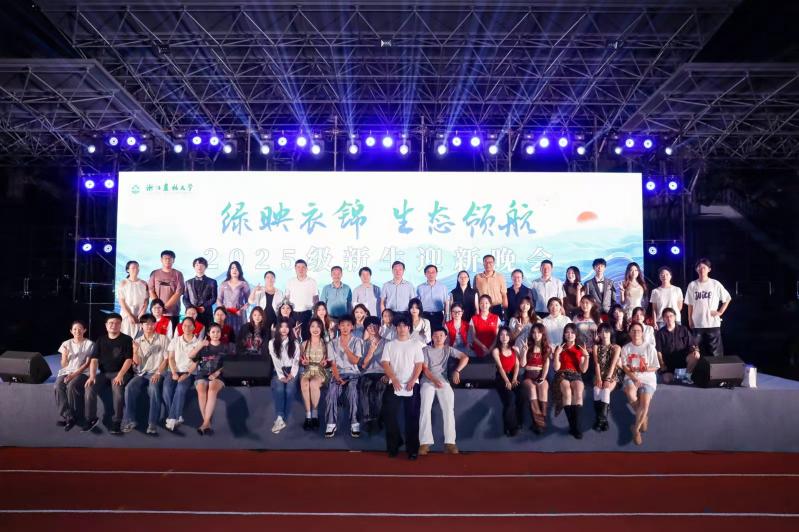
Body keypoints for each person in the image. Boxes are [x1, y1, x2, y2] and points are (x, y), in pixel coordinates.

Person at [419, 327, 469, 455]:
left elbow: (465, 357)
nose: (438, 338)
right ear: (432, 337)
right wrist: (434, 380)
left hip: (443, 381)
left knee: (448, 409)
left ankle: (450, 443)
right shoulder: (426, 349)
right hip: (428, 380)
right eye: (435, 335)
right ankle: (424, 443)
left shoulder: (448, 349)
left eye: (441, 335)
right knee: (425, 408)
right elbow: (424, 368)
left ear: (445, 337)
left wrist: (457, 371)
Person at [381, 315, 425, 459]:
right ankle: (394, 444)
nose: (402, 329)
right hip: (394, 383)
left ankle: (412, 449)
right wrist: (393, 378)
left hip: (412, 384)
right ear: (396, 328)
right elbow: (385, 363)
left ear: (409, 328)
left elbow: (419, 364)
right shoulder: (389, 345)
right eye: (399, 326)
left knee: (412, 416)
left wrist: (413, 379)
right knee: (388, 413)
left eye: (404, 326)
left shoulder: (416, 344)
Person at [83, 313, 134, 434]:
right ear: (106, 325)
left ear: (120, 325)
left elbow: (129, 359)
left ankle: (117, 422)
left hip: (122, 373)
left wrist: (120, 375)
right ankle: (91, 419)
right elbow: (94, 359)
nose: (113, 325)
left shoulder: (127, 339)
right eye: (111, 323)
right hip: (104, 373)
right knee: (89, 387)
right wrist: (92, 376)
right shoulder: (101, 340)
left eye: (117, 323)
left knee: (118, 392)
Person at [121, 314, 169, 435]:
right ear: (141, 326)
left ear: (155, 324)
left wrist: (158, 372)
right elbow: (136, 363)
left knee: (153, 388)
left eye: (152, 323)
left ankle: (152, 423)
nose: (149, 326)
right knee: (129, 388)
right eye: (146, 324)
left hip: (157, 372)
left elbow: (167, 359)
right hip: (141, 373)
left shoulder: (163, 339)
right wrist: (135, 351)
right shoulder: (136, 341)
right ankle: (130, 420)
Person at [620, 322, 660, 445]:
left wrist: (646, 368)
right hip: (631, 376)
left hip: (647, 378)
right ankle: (643, 417)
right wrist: (634, 378)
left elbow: (656, 366)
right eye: (633, 330)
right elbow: (625, 367)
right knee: (631, 394)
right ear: (629, 333)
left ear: (642, 333)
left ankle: (636, 429)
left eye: (638, 330)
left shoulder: (649, 347)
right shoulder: (626, 348)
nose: (636, 333)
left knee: (645, 403)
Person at [324, 316, 363, 438]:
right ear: (339, 327)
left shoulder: (357, 341)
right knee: (331, 392)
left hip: (353, 373)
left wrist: (346, 348)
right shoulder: (332, 343)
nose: (345, 328)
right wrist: (337, 377)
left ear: (352, 327)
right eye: (342, 325)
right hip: (338, 373)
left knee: (353, 391)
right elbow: (333, 364)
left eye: (348, 325)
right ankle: (331, 423)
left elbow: (355, 361)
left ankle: (354, 422)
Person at [685, 258, 731, 357]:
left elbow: (727, 298)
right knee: (694, 352)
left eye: (704, 267)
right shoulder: (692, 285)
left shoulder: (715, 284)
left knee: (715, 354)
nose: (701, 269)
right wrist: (690, 319)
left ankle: (717, 368)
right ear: (696, 269)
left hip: (712, 323)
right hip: (697, 323)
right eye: (699, 267)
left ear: (709, 269)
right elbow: (690, 304)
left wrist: (720, 312)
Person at [163, 316, 203, 431]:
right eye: (184, 325)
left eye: (190, 326)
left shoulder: (198, 343)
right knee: (166, 388)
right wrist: (174, 372)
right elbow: (171, 358)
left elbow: (196, 362)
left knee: (180, 388)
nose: (186, 328)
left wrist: (187, 374)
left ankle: (172, 417)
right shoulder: (175, 340)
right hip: (174, 370)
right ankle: (177, 415)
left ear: (194, 327)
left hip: (189, 372)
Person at [55, 320, 94, 432]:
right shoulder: (66, 343)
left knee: (72, 385)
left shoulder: (90, 344)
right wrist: (65, 356)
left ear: (84, 330)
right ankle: (68, 416)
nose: (77, 331)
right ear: (71, 331)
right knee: (58, 385)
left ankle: (76, 416)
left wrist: (73, 375)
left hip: (82, 372)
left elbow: (87, 364)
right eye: (75, 329)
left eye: (80, 329)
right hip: (67, 371)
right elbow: (64, 365)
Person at [552, 324, 590, 439]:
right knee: (567, 391)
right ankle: (574, 427)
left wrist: (586, 357)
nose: (570, 335)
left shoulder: (580, 349)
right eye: (567, 332)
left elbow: (583, 370)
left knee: (578, 391)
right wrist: (557, 354)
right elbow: (556, 368)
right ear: (564, 334)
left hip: (576, 374)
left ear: (576, 334)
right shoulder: (560, 348)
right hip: (562, 374)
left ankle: (575, 427)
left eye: (572, 332)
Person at [193, 323, 229, 435]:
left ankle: (205, 423)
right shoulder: (204, 346)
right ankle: (206, 423)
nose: (216, 334)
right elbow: (191, 356)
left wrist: (217, 373)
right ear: (208, 333)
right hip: (202, 374)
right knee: (201, 389)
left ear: (221, 333)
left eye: (218, 332)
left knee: (212, 389)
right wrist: (200, 345)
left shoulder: (225, 347)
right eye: (213, 332)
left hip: (218, 375)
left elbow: (229, 364)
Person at [269, 318, 301, 433]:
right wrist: (281, 375)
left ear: (290, 329)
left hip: (292, 369)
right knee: (279, 388)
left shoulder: (295, 343)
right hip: (278, 370)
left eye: (286, 327)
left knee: (290, 389)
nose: (284, 329)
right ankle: (279, 418)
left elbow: (296, 360)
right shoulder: (272, 342)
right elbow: (275, 360)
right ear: (278, 328)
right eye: (281, 326)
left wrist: (292, 374)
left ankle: (282, 419)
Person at [518, 323, 551, 434]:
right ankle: (540, 423)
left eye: (539, 333)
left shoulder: (546, 348)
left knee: (543, 388)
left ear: (543, 334)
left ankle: (538, 423)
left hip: (540, 374)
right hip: (528, 376)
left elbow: (546, 365)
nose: (536, 335)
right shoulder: (528, 346)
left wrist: (543, 377)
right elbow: (523, 364)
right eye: (534, 332)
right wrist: (524, 352)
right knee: (532, 388)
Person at [358, 316, 388, 434]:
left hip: (383, 372)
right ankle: (367, 418)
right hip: (368, 372)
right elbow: (363, 366)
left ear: (379, 327)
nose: (372, 328)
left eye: (375, 325)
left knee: (379, 388)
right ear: (366, 329)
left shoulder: (387, 343)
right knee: (364, 386)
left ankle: (377, 418)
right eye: (369, 326)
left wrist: (388, 375)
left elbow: (392, 362)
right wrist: (370, 351)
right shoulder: (363, 344)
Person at [655, 307, 699, 384]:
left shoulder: (684, 329)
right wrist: (662, 365)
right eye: (666, 316)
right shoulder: (660, 333)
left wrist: (695, 350)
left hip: (683, 358)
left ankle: (687, 376)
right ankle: (676, 375)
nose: (669, 318)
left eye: (671, 316)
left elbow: (692, 344)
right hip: (668, 362)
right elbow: (658, 351)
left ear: (675, 317)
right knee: (667, 379)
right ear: (663, 319)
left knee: (696, 355)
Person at [299, 318, 329, 430]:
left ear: (321, 329)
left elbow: (331, 361)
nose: (315, 329)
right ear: (309, 328)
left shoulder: (326, 344)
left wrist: (326, 362)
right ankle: (308, 416)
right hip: (307, 370)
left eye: (318, 326)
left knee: (313, 383)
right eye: (312, 326)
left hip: (321, 371)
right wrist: (302, 362)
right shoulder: (304, 344)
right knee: (305, 382)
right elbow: (300, 360)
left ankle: (315, 414)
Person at [491, 326, 520, 437]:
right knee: (510, 398)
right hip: (501, 377)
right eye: (502, 335)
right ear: (499, 336)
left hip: (513, 376)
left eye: (507, 335)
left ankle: (519, 422)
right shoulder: (496, 350)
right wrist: (507, 381)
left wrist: (514, 379)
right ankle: (511, 427)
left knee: (521, 394)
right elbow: (500, 367)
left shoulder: (514, 349)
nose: (504, 337)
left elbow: (517, 365)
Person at [591, 323, 621, 432]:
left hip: (612, 375)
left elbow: (613, 365)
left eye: (607, 331)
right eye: (602, 332)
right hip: (599, 374)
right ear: (598, 334)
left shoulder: (616, 347)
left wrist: (608, 378)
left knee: (606, 390)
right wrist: (599, 378)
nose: (604, 334)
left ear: (611, 333)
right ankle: (603, 421)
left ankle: (600, 421)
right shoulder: (596, 347)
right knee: (596, 390)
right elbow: (596, 364)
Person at [147, 250, 185, 327]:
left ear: (173, 260)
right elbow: (151, 290)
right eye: (165, 258)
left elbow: (178, 292)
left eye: (170, 259)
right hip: (157, 312)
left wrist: (165, 307)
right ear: (161, 260)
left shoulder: (178, 274)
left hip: (173, 312)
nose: (167, 260)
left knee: (172, 332)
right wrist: (158, 306)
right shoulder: (155, 273)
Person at [284, 259, 319, 336]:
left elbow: (316, 299)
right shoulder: (290, 281)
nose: (301, 269)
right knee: (292, 335)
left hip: (307, 313)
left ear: (306, 269)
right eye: (298, 267)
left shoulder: (312, 282)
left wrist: (316, 314)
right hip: (293, 313)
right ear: (295, 269)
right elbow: (286, 298)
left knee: (306, 335)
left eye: (303, 267)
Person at [216, 261, 250, 333]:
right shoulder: (223, 284)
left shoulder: (244, 284)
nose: (234, 270)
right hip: (226, 314)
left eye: (236, 268)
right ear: (229, 270)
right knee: (227, 334)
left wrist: (241, 310)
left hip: (239, 314)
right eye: (232, 268)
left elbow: (249, 301)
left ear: (239, 271)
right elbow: (218, 299)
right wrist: (223, 310)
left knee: (240, 334)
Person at [183, 257, 217, 327]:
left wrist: (204, 306)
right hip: (191, 315)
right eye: (197, 265)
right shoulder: (188, 282)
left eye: (202, 265)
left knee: (207, 331)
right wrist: (190, 308)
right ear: (194, 267)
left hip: (206, 313)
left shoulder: (212, 282)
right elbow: (185, 298)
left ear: (205, 267)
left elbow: (214, 298)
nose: (199, 267)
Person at [118, 260, 148, 338]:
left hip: (140, 314)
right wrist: (130, 315)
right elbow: (121, 301)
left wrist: (142, 313)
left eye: (137, 268)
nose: (136, 270)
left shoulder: (143, 283)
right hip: (127, 314)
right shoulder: (123, 283)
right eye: (133, 268)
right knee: (126, 335)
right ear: (128, 270)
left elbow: (146, 299)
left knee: (139, 336)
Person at [416, 264, 448, 329]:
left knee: (438, 334)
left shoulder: (443, 287)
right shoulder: (420, 287)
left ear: (436, 273)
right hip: (424, 316)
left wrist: (445, 317)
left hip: (438, 316)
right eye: (428, 272)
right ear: (425, 274)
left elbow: (446, 303)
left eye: (433, 272)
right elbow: (417, 304)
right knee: (424, 334)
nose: (431, 274)